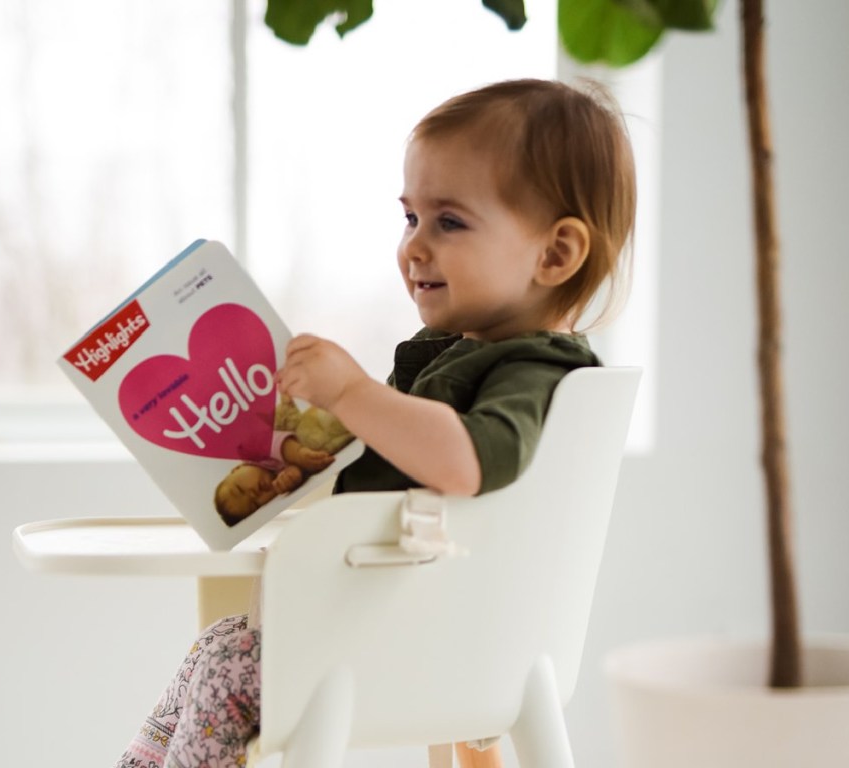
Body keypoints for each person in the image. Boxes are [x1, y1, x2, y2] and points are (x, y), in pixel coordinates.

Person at [114, 77, 636, 768]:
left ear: (556, 254)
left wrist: (354, 391)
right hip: (400, 621)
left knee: (224, 671)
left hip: (408, 636)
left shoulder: (534, 372)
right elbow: (382, 455)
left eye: (448, 222)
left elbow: (463, 463)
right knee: (216, 648)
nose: (415, 246)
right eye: (409, 217)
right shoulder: (463, 359)